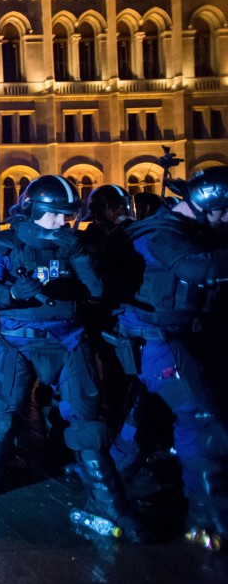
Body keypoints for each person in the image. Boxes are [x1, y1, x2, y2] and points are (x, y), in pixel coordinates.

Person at [0, 174, 148, 541]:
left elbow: (98, 292)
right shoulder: (1, 245)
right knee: (3, 414)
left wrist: (79, 257)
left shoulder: (76, 245)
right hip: (18, 341)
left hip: (69, 340)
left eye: (67, 215)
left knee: (88, 423)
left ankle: (109, 503)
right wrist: (12, 294)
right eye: (54, 215)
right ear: (33, 211)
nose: (62, 222)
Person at [113, 167, 228, 549]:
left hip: (176, 339)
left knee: (147, 420)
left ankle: (106, 487)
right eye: (225, 212)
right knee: (200, 419)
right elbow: (197, 268)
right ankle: (208, 517)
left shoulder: (190, 229)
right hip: (159, 343)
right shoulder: (161, 234)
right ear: (208, 206)